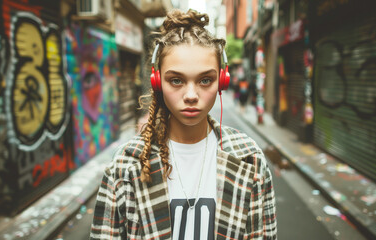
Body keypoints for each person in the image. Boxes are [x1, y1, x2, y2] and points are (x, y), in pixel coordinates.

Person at [90, 9, 277, 240]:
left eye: (205, 80)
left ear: (222, 81)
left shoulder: (250, 159)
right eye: (176, 80)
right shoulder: (125, 165)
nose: (191, 95)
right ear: (157, 81)